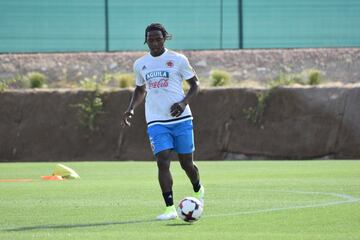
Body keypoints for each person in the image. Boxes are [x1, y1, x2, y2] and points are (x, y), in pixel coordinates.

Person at [121, 23, 204, 221]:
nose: (154, 43)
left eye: (158, 39)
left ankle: (198, 188)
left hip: (181, 119)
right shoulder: (140, 64)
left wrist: (184, 103)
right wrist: (131, 108)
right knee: (163, 161)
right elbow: (140, 89)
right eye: (150, 39)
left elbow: (195, 85)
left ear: (164, 38)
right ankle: (170, 209)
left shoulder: (177, 59)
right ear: (146, 40)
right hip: (156, 120)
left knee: (187, 164)